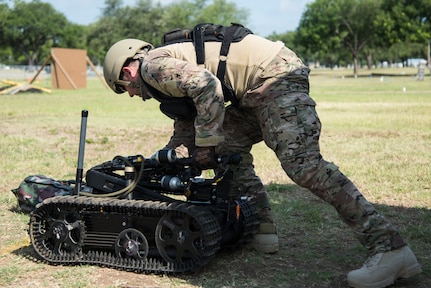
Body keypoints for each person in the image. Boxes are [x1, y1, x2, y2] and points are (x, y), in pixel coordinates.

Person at [103, 24, 421, 288]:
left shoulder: (152, 67)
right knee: (230, 149)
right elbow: (187, 126)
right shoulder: (165, 69)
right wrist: (168, 158)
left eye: (123, 88)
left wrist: (206, 145)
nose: (132, 95)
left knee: (303, 165)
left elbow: (207, 86)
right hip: (259, 87)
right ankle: (261, 228)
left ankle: (389, 247)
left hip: (275, 79)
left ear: (128, 69)